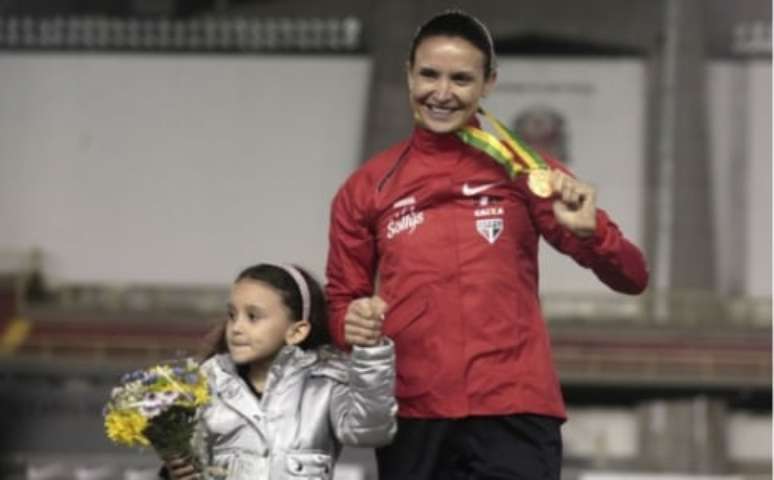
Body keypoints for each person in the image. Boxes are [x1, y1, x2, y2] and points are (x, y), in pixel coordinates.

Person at [325, 10, 649, 480]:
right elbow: (341, 306)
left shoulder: (527, 170)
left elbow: (633, 278)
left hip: (514, 407)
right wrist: (351, 322)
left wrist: (590, 234)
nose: (442, 92)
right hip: (415, 412)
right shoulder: (367, 187)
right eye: (429, 75)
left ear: (488, 84)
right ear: (409, 74)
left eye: (461, 79)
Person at [163, 263, 397, 480]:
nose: (236, 328)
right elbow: (191, 463)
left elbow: (370, 432)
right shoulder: (207, 383)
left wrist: (370, 352)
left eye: (253, 317)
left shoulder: (326, 382)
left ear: (297, 332)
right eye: (232, 315)